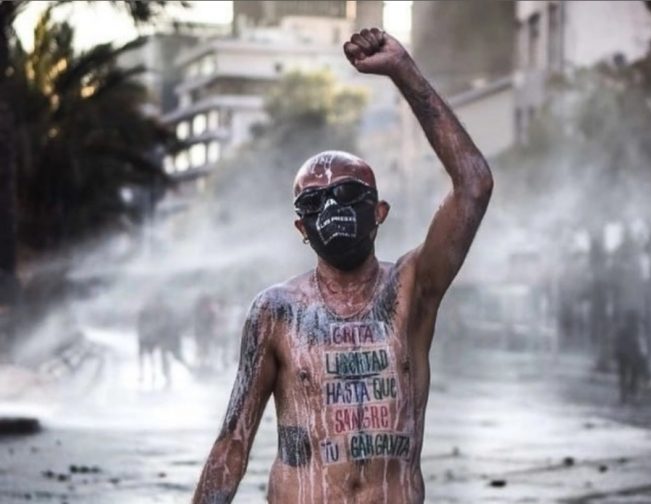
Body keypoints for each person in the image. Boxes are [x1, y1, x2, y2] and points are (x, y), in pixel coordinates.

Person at [192, 28, 493, 503]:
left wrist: (403, 71)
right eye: (314, 201)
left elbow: (473, 184)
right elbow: (233, 443)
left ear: (379, 212)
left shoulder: (411, 290)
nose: (332, 207)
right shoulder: (276, 313)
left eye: (350, 194)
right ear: (301, 227)